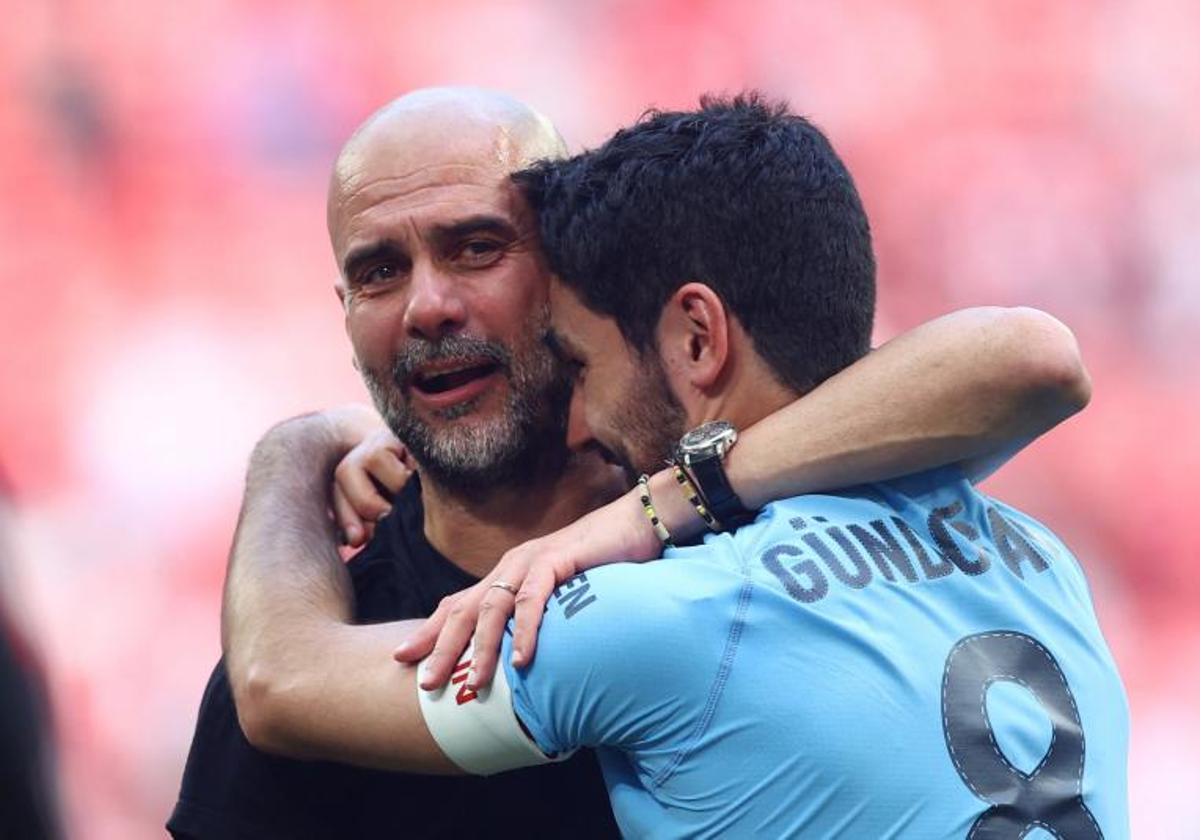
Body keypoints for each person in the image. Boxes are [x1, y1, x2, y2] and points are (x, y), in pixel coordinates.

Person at [169, 87, 1074, 840]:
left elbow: (1021, 361)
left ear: (569, 269)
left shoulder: (682, 589)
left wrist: (293, 449)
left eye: (476, 246)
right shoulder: (1025, 556)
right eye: (377, 272)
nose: (428, 307)